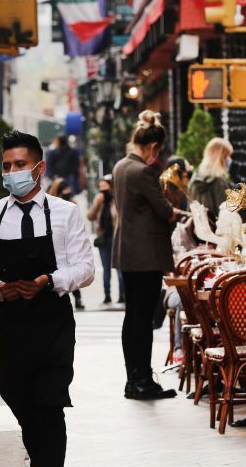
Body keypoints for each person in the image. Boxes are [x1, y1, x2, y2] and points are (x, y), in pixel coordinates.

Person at [0, 130, 94, 467]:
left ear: (39, 168)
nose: (12, 173)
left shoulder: (65, 213)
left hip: (53, 319)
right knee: (19, 400)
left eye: (19, 165)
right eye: (6, 167)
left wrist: (48, 281)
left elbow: (86, 268)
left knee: (49, 403)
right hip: (12, 321)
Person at [112, 110, 179, 401]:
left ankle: (134, 378)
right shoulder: (143, 171)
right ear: (153, 147)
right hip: (146, 254)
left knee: (133, 317)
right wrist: (173, 211)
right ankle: (142, 380)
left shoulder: (121, 166)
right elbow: (163, 210)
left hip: (128, 250)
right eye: (159, 151)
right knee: (144, 318)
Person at [47, 179, 85, 309]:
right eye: (64, 193)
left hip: (68, 243)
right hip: (55, 242)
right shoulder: (50, 204)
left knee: (71, 270)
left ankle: (77, 297)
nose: (67, 194)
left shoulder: (71, 205)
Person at [86, 174, 124, 305]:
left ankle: (122, 295)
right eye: (100, 188)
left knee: (119, 268)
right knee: (105, 269)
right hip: (103, 240)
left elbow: (120, 218)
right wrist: (97, 203)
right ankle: (107, 295)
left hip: (116, 239)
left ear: (111, 187)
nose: (103, 190)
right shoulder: (99, 200)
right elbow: (90, 216)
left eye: (105, 187)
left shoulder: (117, 199)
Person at [189, 137, 234, 219]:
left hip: (197, 228)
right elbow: (225, 215)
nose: (229, 160)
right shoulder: (219, 182)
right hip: (215, 229)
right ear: (221, 157)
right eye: (227, 156)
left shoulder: (194, 178)